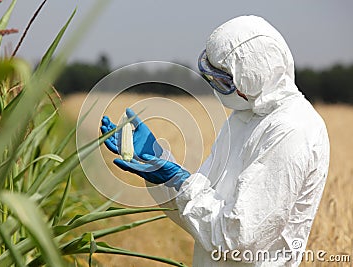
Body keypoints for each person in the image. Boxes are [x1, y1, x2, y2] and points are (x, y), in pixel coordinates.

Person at [100, 15, 330, 266]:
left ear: (253, 76)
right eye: (212, 79)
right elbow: (200, 219)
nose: (218, 88)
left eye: (223, 80)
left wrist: (180, 181)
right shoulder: (244, 117)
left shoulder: (292, 130)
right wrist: (160, 166)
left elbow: (238, 239)